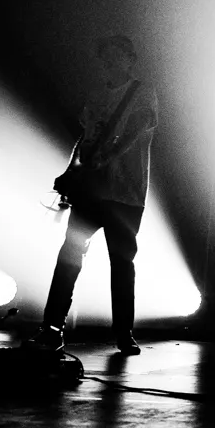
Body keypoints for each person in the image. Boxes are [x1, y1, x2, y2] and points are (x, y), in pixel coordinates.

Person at [28, 35, 159, 355]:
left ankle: (124, 332)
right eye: (106, 56)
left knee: (122, 263)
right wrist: (70, 171)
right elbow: (85, 139)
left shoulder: (143, 92)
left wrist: (108, 156)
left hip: (125, 195)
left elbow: (137, 129)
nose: (111, 61)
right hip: (91, 191)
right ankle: (52, 327)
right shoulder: (96, 95)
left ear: (130, 59)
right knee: (69, 257)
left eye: (118, 55)